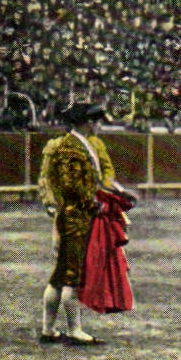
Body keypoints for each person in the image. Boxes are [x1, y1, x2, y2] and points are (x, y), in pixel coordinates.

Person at [37, 101, 126, 345]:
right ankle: (75, 330)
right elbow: (71, 185)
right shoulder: (71, 147)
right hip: (75, 217)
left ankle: (48, 329)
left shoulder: (77, 144)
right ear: (85, 122)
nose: (98, 125)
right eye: (95, 120)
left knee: (59, 275)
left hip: (74, 215)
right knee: (72, 274)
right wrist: (93, 205)